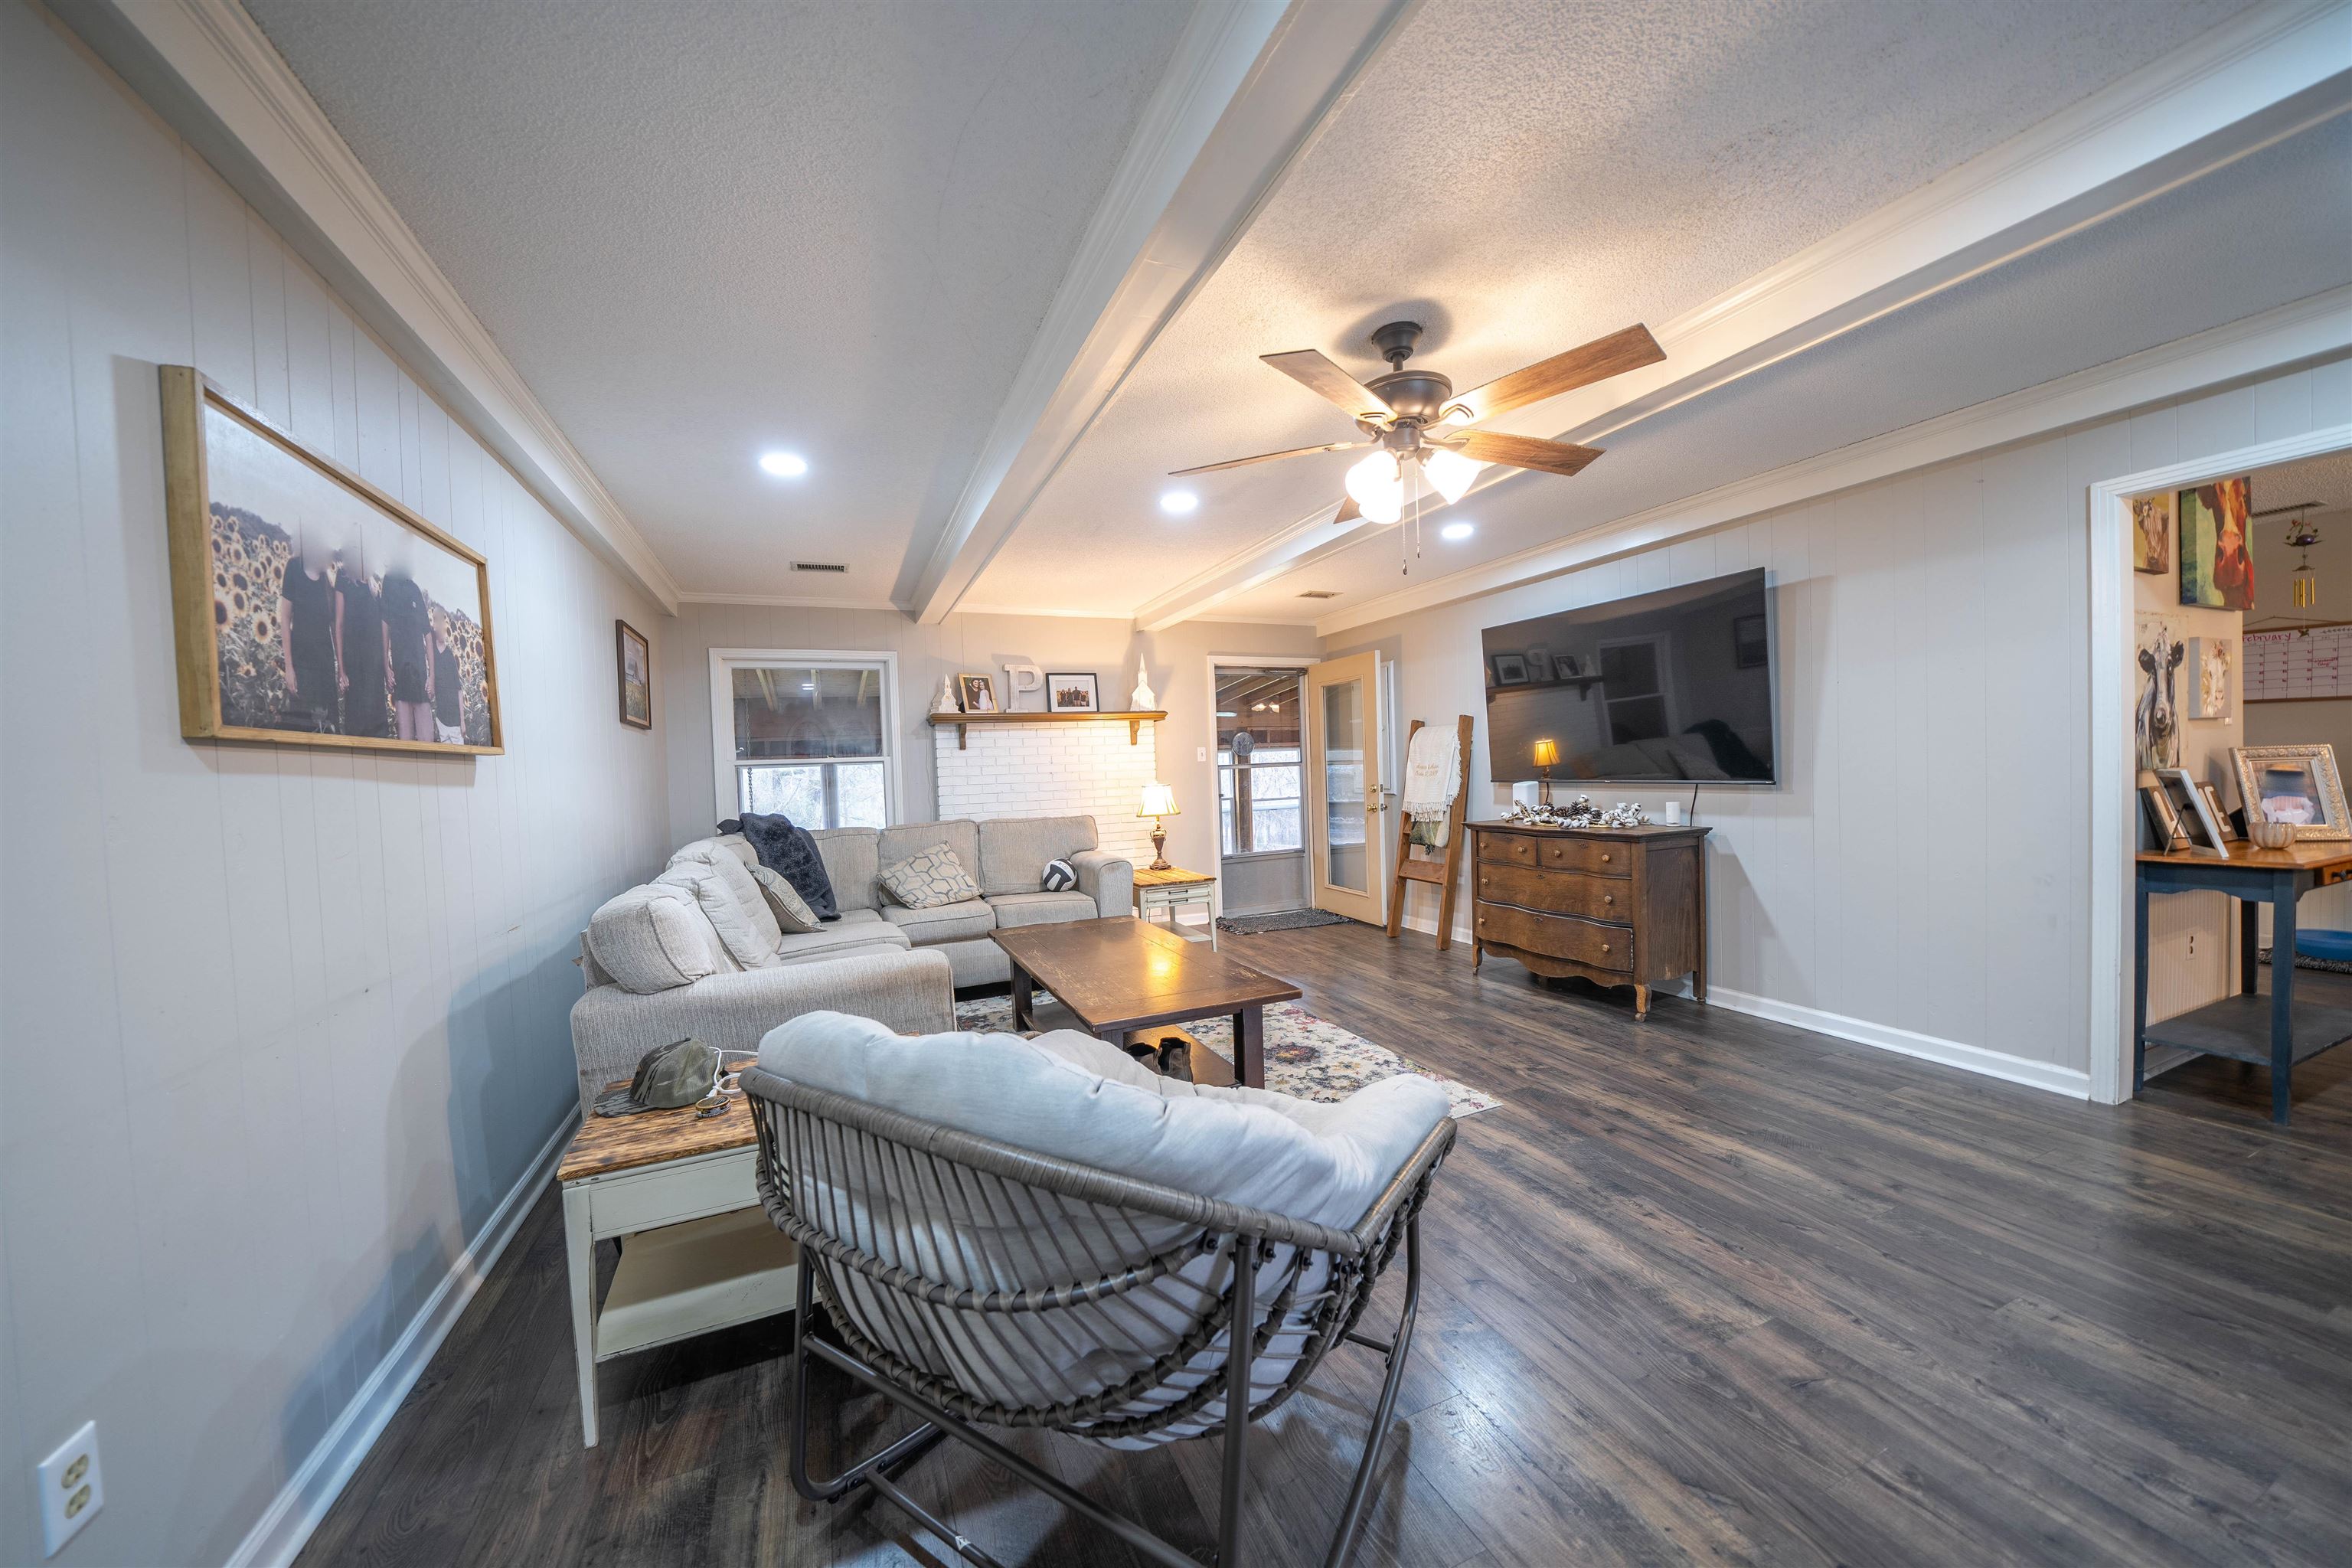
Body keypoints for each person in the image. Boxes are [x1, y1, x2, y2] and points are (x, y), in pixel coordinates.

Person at [278, 523, 339, 733]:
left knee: (328, 728)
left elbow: (334, 629)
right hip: (302, 664)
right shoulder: (294, 568)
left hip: (325, 667)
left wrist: (340, 669)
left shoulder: (328, 583)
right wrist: (289, 667)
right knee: (303, 727)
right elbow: (285, 618)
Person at [335, 535, 390, 739]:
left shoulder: (374, 585)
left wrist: (386, 666)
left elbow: (382, 630)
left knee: (377, 724)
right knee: (357, 723)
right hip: (354, 662)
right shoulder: (343, 577)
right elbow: (339, 625)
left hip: (374, 666)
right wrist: (341, 669)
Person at [381, 561, 434, 740]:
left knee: (427, 738)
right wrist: (386, 666)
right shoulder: (388, 583)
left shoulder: (414, 589)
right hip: (400, 671)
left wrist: (432, 676)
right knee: (405, 737)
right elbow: (385, 625)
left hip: (420, 674)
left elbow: (428, 633)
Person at [430, 617, 464, 743]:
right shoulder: (431, 652)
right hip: (441, 720)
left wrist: (462, 722)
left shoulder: (450, 655)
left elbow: (459, 690)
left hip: (455, 723)